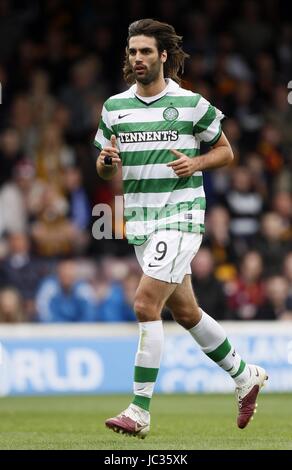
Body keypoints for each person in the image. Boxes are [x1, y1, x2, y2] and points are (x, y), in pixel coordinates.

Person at [94, 18, 268, 439]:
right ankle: (245, 375)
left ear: (163, 56)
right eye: (133, 51)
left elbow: (225, 151)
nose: (138, 58)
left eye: (146, 51)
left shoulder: (191, 104)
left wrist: (195, 163)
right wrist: (105, 163)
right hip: (141, 220)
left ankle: (139, 410)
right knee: (186, 312)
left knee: (145, 305)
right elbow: (102, 168)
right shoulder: (114, 108)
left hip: (181, 216)